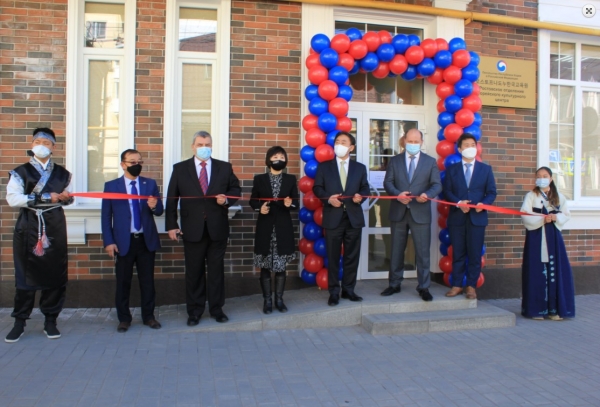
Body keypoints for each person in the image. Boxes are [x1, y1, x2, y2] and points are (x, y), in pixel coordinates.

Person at [166, 131, 241, 325]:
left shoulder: (224, 168)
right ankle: (195, 311)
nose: (204, 147)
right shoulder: (180, 169)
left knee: (216, 272)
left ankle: (217, 309)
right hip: (192, 229)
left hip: (217, 228)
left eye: (207, 144)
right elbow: (172, 199)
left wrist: (227, 200)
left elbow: (235, 191)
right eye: (200, 144)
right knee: (194, 272)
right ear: (193, 146)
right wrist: (172, 225)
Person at [5, 128, 73, 342]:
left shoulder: (63, 174)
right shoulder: (21, 171)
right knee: (26, 274)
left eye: (46, 141)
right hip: (29, 225)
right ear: (32, 144)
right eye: (37, 141)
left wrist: (64, 198)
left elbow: (70, 199)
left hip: (54, 225)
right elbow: (13, 199)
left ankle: (50, 320)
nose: (41, 144)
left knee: (54, 274)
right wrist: (45, 196)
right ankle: (19, 321)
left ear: (54, 146)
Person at [101, 149, 164, 333]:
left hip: (145, 240)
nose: (136, 165)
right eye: (132, 162)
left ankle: (149, 316)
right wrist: (109, 241)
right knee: (123, 281)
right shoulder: (112, 186)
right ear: (123, 164)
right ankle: (124, 319)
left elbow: (159, 210)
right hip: (123, 242)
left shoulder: (149, 184)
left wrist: (154, 206)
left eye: (139, 162)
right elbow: (106, 216)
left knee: (147, 281)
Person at [382, 129, 442, 301]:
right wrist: (397, 194)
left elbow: (437, 185)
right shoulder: (395, 161)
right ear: (404, 140)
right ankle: (394, 284)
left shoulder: (430, 162)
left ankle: (424, 287)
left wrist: (428, 195)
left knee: (423, 252)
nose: (413, 144)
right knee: (396, 250)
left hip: (420, 212)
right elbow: (388, 183)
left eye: (417, 141)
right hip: (398, 212)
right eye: (411, 141)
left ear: (421, 142)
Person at [313, 131, 370, 306]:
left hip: (353, 218)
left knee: (352, 256)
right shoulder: (324, 167)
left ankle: (349, 290)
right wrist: (328, 199)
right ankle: (334, 292)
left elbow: (365, 189)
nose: (339, 144)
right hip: (333, 218)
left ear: (351, 147)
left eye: (343, 142)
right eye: (337, 141)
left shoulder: (359, 168)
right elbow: (317, 188)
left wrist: (361, 196)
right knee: (333, 255)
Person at [443, 133, 497, 300]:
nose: (470, 148)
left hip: (477, 218)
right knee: (458, 252)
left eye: (472, 144)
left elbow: (491, 192)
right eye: (466, 145)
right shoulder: (452, 170)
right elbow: (447, 192)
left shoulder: (485, 169)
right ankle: (457, 285)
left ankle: (471, 287)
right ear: (460, 149)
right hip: (457, 218)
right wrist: (459, 202)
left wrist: (482, 203)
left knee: (474, 254)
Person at [520, 167, 575, 320]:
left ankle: (554, 309)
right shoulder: (531, 196)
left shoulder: (558, 197)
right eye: (538, 176)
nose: (541, 178)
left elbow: (566, 214)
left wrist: (555, 218)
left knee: (555, 270)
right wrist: (542, 218)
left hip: (553, 237)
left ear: (550, 179)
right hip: (536, 237)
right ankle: (537, 309)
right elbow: (524, 214)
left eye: (545, 176)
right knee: (536, 270)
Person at [249, 146, 299, 314]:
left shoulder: (291, 179)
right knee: (264, 266)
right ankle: (267, 301)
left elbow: (296, 203)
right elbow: (253, 201)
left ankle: (279, 300)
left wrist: (289, 204)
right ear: (269, 159)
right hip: (265, 227)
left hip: (283, 227)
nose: (279, 158)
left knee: (280, 266)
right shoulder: (259, 179)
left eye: (282, 156)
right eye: (275, 156)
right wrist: (259, 208)